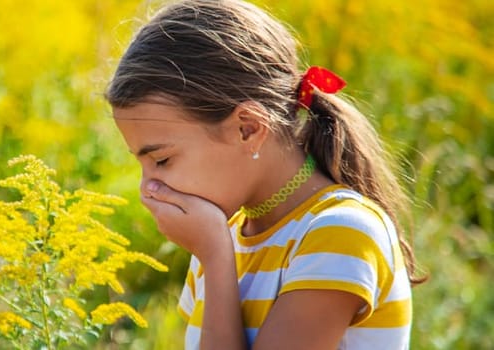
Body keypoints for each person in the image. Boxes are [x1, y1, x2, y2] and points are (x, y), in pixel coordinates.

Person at [105, 0, 421, 348]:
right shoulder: (223, 237)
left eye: (162, 160)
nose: (146, 188)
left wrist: (214, 255)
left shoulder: (340, 232)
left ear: (248, 128)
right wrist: (214, 254)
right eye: (141, 162)